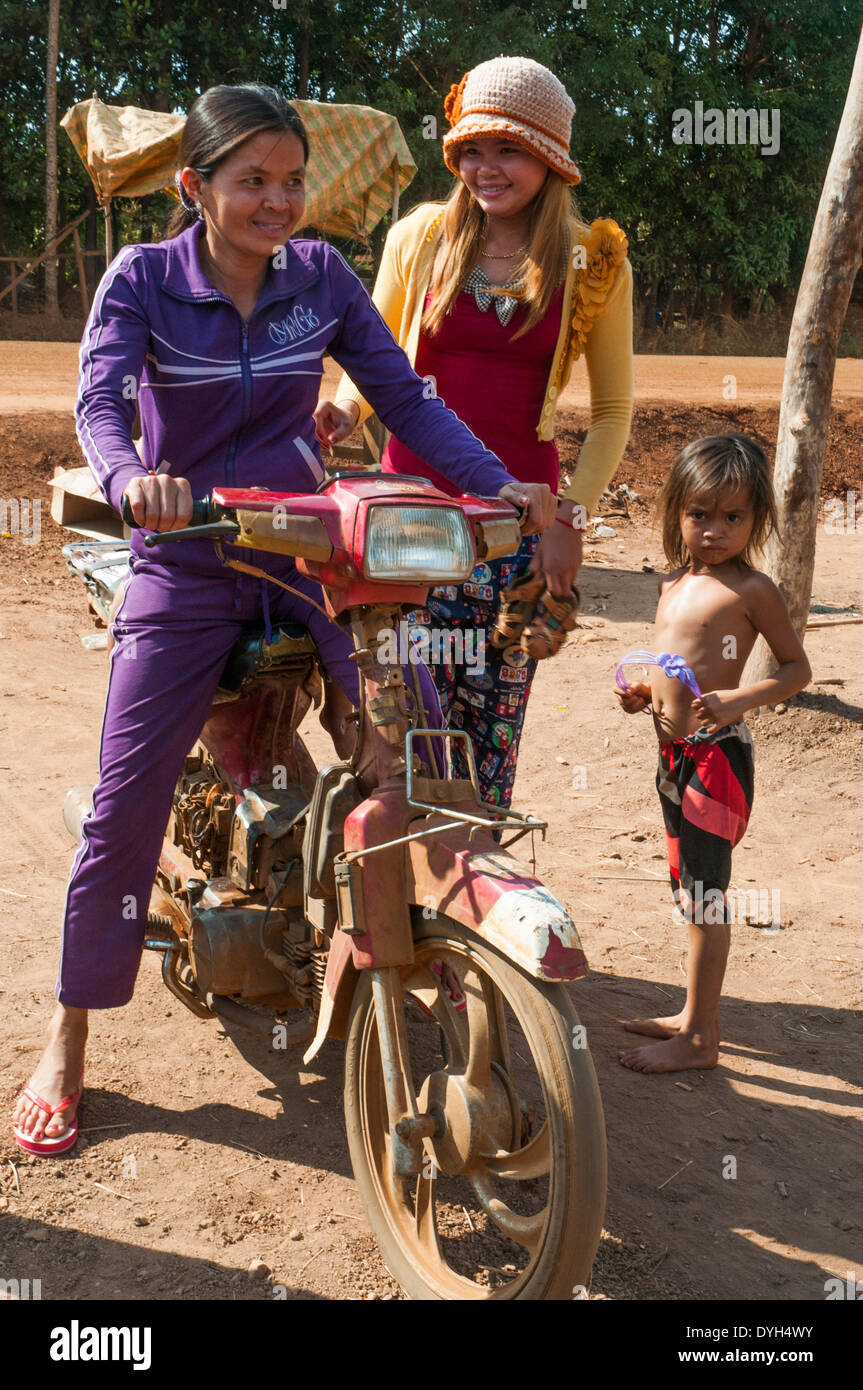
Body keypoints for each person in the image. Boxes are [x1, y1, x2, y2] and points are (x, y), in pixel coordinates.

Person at [12, 83, 554, 1154]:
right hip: (192, 550)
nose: (276, 201)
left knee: (417, 740)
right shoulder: (144, 279)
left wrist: (503, 486)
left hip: (315, 548)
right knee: (125, 801)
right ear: (194, 188)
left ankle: (427, 950)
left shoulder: (320, 277)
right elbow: (100, 402)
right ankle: (68, 1035)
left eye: (291, 180)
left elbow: (401, 396)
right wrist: (132, 482)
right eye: (250, 180)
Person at [316, 55, 634, 810]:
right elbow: (375, 358)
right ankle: (390, 897)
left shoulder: (592, 261)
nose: (485, 168)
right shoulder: (420, 237)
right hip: (401, 525)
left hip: (513, 528)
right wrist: (343, 407)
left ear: (550, 159)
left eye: (508, 150)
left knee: (489, 729)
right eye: (470, 150)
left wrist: (571, 519)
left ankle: (474, 875)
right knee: (397, 724)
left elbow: (614, 410)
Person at [615, 434, 811, 1074]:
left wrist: (737, 701)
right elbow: (675, 668)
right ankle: (692, 1012)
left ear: (757, 519)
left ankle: (701, 1039)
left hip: (716, 758)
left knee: (705, 895)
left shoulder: (753, 590)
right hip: (674, 758)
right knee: (688, 889)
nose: (716, 530)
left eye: (734, 517)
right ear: (676, 511)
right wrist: (643, 694)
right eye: (701, 514)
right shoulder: (673, 585)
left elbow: (796, 669)